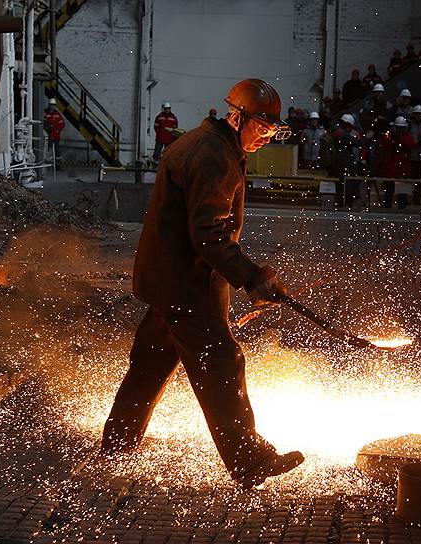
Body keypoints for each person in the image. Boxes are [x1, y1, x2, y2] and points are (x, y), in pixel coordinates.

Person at [101, 79, 304, 489]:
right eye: (261, 128)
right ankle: (248, 460)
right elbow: (208, 234)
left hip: (166, 278)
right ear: (238, 117)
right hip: (188, 284)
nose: (266, 137)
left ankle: (118, 444)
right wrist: (252, 276)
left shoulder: (206, 142)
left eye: (271, 131)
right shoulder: (215, 157)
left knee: (151, 364)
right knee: (222, 363)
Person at [379, 116, 416, 209]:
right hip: (391, 168)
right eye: (398, 128)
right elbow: (382, 142)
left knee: (402, 192)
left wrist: (399, 139)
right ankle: (387, 208)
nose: (400, 130)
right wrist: (391, 136)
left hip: (403, 168)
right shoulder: (390, 136)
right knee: (389, 190)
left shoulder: (408, 136)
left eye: (402, 128)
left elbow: (411, 145)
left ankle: (402, 208)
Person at [331, 113, 364, 206]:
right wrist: (367, 138)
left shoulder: (335, 132)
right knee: (347, 184)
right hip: (344, 163)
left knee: (340, 184)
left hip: (337, 162)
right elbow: (357, 143)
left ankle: (340, 202)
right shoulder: (343, 134)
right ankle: (345, 203)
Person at [44, 98, 65, 165]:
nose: (52, 106)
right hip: (47, 134)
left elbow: (62, 123)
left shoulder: (57, 114)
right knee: (46, 149)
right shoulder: (45, 113)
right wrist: (47, 128)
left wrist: (56, 129)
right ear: (49, 105)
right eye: (51, 105)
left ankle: (58, 164)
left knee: (57, 150)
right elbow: (43, 122)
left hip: (55, 135)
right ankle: (46, 162)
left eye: (53, 105)